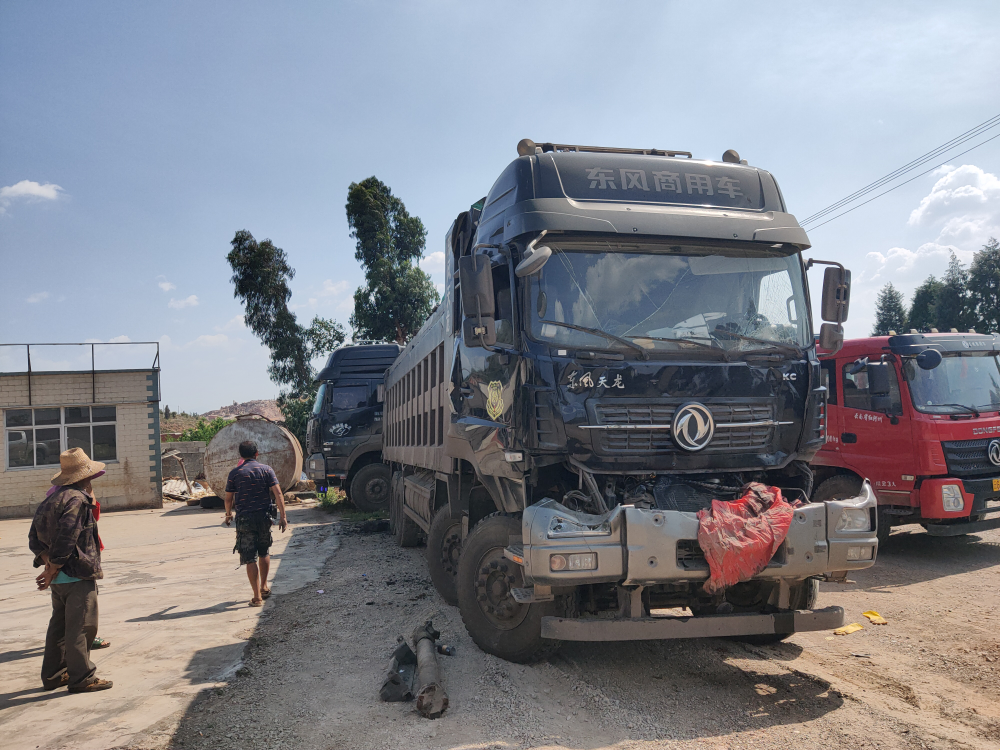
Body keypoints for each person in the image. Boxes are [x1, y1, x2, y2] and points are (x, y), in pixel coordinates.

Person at [28, 448, 113, 693]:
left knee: (59, 626)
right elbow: (67, 537)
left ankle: (54, 675)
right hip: (77, 572)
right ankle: (81, 677)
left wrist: (49, 565)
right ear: (86, 477)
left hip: (59, 579)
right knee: (82, 626)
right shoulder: (77, 500)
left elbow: (34, 537)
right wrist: (53, 566)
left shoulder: (51, 500)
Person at [224, 441, 288, 606]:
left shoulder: (235, 473)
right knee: (264, 551)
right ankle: (264, 587)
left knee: (249, 557)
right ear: (257, 453)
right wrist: (283, 516)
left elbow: (228, 498)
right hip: (264, 517)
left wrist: (228, 514)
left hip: (245, 519)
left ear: (241, 455)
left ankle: (257, 597)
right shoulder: (267, 470)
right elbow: (278, 493)